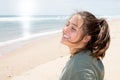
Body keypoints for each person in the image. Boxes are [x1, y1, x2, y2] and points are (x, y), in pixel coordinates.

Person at [59, 11, 110, 80]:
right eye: (67, 24)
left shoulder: (79, 65)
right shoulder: (90, 57)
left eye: (73, 28)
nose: (65, 29)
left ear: (86, 38)